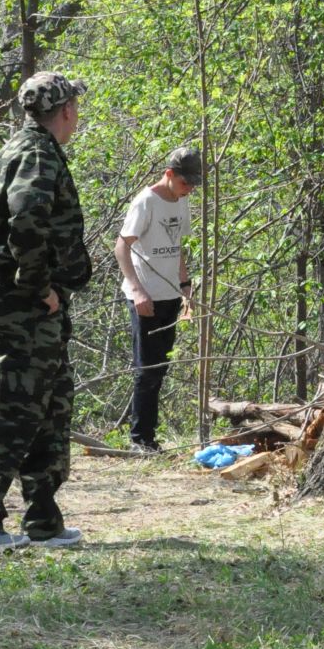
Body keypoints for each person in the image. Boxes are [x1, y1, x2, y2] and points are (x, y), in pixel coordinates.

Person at [0, 71, 93, 552]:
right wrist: (39, 287)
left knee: (50, 409)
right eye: (76, 106)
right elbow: (26, 220)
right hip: (25, 303)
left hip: (33, 302)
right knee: (15, 408)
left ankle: (43, 521)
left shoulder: (31, 147)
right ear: (67, 111)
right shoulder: (34, 152)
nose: (77, 114)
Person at [115, 145, 204, 453]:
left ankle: (149, 436)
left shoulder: (181, 202)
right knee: (146, 369)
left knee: (160, 367)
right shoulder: (146, 202)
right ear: (169, 174)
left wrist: (186, 292)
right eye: (184, 183)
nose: (189, 189)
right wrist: (137, 290)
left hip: (170, 295)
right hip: (145, 297)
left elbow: (177, 248)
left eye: (193, 184)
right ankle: (139, 439)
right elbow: (121, 247)